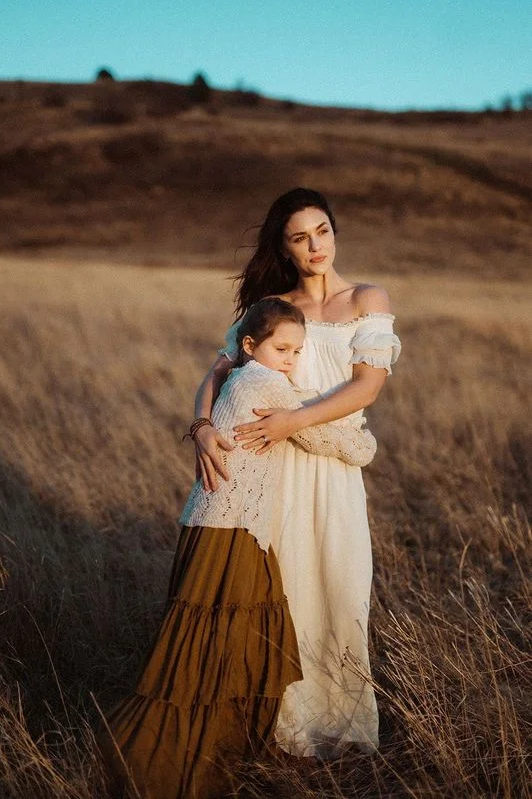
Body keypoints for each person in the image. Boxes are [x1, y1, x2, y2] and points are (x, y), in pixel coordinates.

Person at [97, 297, 379, 799]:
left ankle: (217, 747)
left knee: (218, 640)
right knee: (216, 643)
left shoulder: (245, 378)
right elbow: (345, 443)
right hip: (232, 531)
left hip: (216, 525)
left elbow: (291, 400)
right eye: (282, 348)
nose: (291, 359)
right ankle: (155, 762)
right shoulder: (264, 384)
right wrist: (361, 440)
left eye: (297, 350)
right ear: (250, 346)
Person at [194, 188, 401, 759]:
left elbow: (367, 386)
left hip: (331, 468)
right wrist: (202, 426)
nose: (315, 246)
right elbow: (216, 370)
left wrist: (294, 419)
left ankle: (341, 732)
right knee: (282, 594)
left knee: (342, 587)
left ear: (335, 232)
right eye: (300, 237)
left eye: (323, 231)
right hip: (271, 469)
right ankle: (276, 728)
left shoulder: (367, 298)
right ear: (284, 248)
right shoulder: (274, 308)